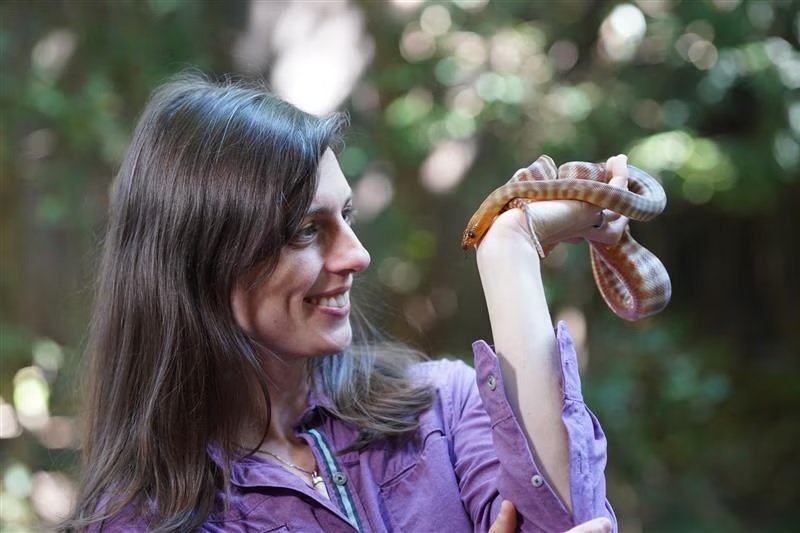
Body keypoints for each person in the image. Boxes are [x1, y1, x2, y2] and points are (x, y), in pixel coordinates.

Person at [60, 73, 627, 532]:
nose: (356, 256)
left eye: (346, 217)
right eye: (308, 230)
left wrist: (510, 248)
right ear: (202, 260)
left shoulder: (439, 410)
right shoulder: (142, 522)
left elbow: (571, 521)